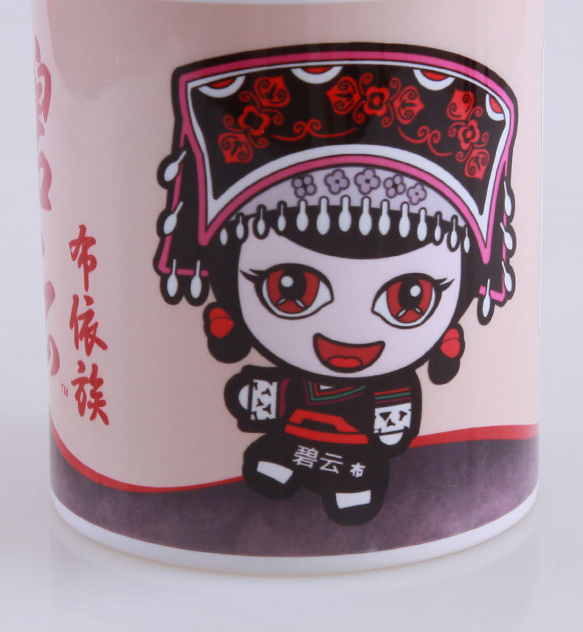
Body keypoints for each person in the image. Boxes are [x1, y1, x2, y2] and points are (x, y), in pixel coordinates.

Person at [155, 44, 517, 524]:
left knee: (353, 469)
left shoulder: (384, 390)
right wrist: (258, 398)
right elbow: (270, 396)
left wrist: (390, 424)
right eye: (291, 290)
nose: (348, 332)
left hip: (352, 446)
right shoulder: (298, 382)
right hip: (297, 435)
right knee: (284, 450)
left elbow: (393, 421)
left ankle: (351, 485)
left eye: (410, 299)